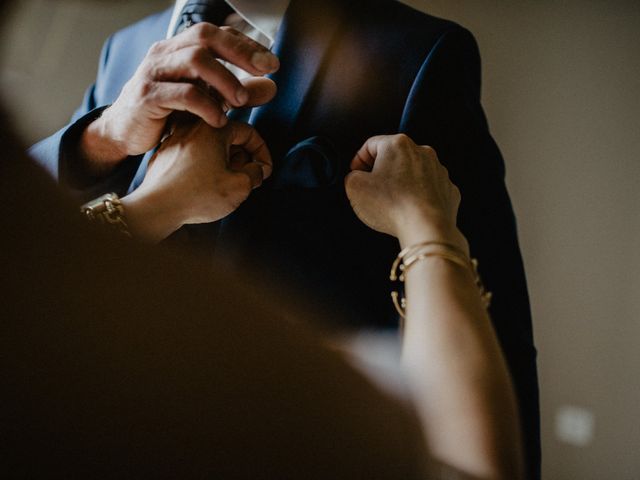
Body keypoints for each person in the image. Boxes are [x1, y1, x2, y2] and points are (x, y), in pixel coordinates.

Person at [29, 0, 540, 476]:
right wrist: (102, 136)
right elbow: (25, 230)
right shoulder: (126, 46)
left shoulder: (418, 51)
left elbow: (497, 320)